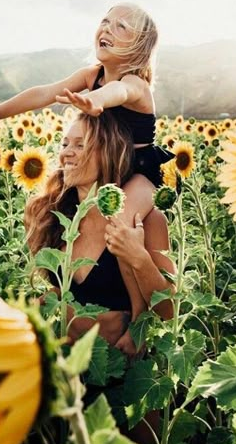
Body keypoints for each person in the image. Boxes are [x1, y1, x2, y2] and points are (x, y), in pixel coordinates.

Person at [0, 2, 173, 202]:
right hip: (104, 166)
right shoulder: (91, 75)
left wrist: (94, 99)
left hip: (138, 171)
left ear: (139, 46)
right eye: (105, 21)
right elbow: (43, 94)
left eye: (121, 26)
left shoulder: (136, 84)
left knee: (119, 223)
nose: (107, 28)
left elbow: (119, 91)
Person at [24, 112, 175, 355]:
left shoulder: (144, 220)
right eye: (65, 144)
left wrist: (139, 257)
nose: (66, 153)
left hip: (114, 369)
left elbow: (168, 309)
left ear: (108, 153)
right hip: (63, 364)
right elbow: (71, 293)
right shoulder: (58, 215)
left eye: (80, 145)